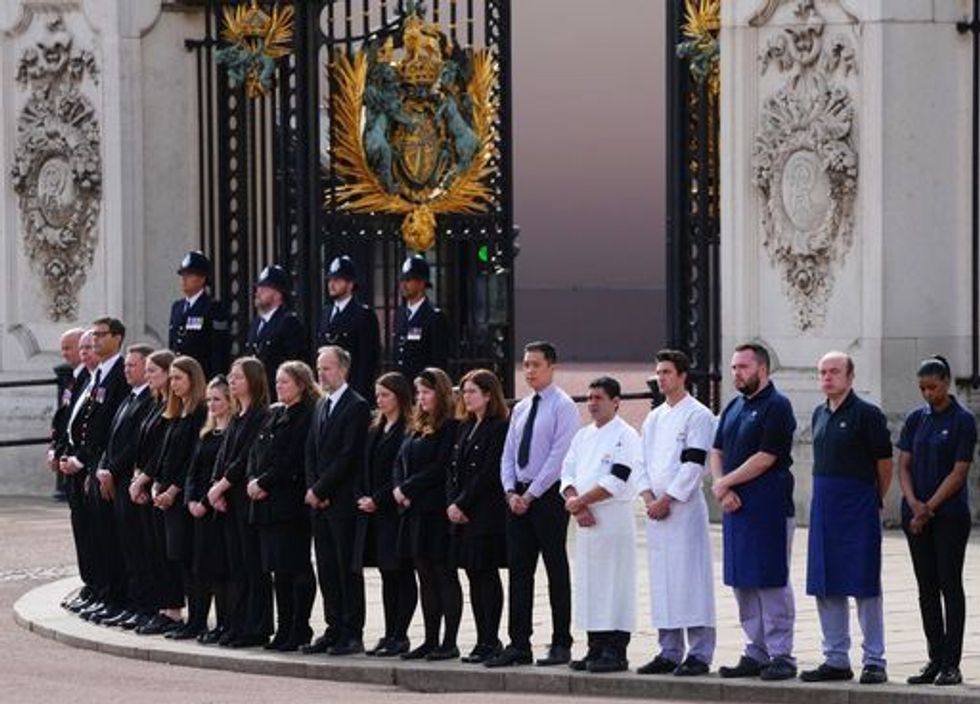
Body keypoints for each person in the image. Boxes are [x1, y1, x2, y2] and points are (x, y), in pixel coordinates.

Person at [801, 352, 892, 685]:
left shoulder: (868, 415)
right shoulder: (818, 414)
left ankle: (874, 660)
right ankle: (836, 658)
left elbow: (884, 464)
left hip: (858, 508)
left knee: (865, 584)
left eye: (834, 372)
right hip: (825, 509)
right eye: (822, 372)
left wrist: (874, 499)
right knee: (826, 584)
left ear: (850, 377)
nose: (827, 378)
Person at [487, 341, 579, 668]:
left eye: (535, 365)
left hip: (547, 498)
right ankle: (518, 642)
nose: (529, 371)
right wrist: (511, 491)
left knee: (555, 568)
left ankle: (560, 642)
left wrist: (531, 494)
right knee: (519, 572)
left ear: (551, 367)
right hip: (518, 498)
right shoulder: (522, 408)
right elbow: (508, 453)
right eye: (525, 364)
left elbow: (558, 457)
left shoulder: (563, 406)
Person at [710, 343, 798, 681]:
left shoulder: (778, 406)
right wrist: (723, 486)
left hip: (768, 507)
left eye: (743, 367)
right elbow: (716, 450)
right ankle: (755, 650)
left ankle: (781, 654)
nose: (737, 373)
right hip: (735, 507)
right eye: (733, 367)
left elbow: (766, 457)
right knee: (742, 581)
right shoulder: (733, 407)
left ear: (762, 369)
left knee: (771, 580)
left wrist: (724, 484)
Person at [636, 350, 717, 677]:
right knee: (663, 582)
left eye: (667, 372)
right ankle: (669, 650)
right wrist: (647, 496)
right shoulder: (654, 418)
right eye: (658, 372)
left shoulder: (697, 415)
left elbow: (694, 464)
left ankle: (699, 652)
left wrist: (667, 499)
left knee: (690, 580)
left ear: (683, 376)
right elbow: (640, 462)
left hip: (682, 511)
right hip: (656, 512)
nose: (661, 378)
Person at [898, 356, 976, 686]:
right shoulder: (917, 419)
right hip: (917, 515)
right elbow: (903, 464)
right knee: (926, 588)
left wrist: (928, 507)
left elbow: (959, 472)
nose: (928, 394)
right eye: (922, 389)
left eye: (932, 387)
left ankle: (951, 662)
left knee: (949, 584)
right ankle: (933, 657)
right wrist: (914, 503)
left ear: (945, 382)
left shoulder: (962, 420)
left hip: (948, 515)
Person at [560, 377, 641, 674]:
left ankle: (616, 649)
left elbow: (617, 479)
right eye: (589, 398)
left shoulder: (626, 435)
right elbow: (567, 472)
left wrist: (581, 502)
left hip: (613, 519)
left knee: (615, 584)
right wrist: (575, 502)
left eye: (599, 398)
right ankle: (595, 645)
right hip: (585, 522)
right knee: (590, 585)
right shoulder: (582, 436)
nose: (592, 403)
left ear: (616, 401)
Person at [303, 346, 372, 656]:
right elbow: (311, 452)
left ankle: (351, 631)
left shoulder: (356, 406)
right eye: (319, 368)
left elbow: (348, 456)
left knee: (347, 570)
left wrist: (323, 490)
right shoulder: (321, 405)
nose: (321, 374)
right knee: (327, 569)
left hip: (342, 503)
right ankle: (333, 627)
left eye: (327, 368)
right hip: (320, 503)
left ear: (343, 370)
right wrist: (313, 489)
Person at [247, 361, 319, 652]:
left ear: (301, 384)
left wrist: (263, 482)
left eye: (285, 382)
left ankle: (299, 627)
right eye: (277, 382)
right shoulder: (275, 414)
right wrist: (253, 478)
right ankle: (284, 626)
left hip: (288, 503)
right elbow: (257, 451)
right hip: (266, 504)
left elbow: (291, 460)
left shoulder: (305, 416)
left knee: (295, 568)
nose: (279, 387)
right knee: (278, 571)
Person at [61, 318, 129, 624]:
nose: (96, 341)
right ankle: (101, 591)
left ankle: (114, 595)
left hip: (102, 464)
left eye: (102, 336)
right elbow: (82, 418)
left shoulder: (119, 374)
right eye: (94, 336)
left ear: (118, 338)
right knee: (93, 534)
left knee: (109, 538)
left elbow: (110, 426)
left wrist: (88, 459)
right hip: (88, 463)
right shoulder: (96, 375)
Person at [392, 367, 460, 661]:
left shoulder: (449, 426)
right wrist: (398, 488)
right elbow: (400, 460)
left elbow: (439, 466)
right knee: (425, 577)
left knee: (444, 574)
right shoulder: (416, 424)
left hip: (434, 511)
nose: (421, 398)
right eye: (418, 392)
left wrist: (407, 488)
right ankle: (430, 638)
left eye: (427, 392)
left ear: (440, 393)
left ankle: (449, 641)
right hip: (413, 511)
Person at [207, 357, 273, 647]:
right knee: (236, 566)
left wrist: (222, 485)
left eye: (238, 378)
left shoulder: (261, 414)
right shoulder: (238, 415)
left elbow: (245, 456)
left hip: (244, 498)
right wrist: (216, 485)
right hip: (228, 499)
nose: (232, 382)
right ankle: (237, 621)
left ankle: (256, 625)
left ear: (253, 381)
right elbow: (223, 455)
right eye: (231, 377)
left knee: (251, 565)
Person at [446, 369, 509, 664]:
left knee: (486, 575)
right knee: (472, 575)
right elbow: (453, 469)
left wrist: (464, 504)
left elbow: (488, 473)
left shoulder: (498, 427)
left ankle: (491, 638)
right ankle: (482, 637)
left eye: (472, 391)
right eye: (464, 391)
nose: (466, 397)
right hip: (461, 512)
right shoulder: (465, 426)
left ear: (488, 395)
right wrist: (452, 503)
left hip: (484, 513)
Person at [353, 372, 417, 657]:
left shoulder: (407, 427)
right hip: (374, 512)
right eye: (377, 395)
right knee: (386, 573)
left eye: (385, 395)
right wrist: (363, 497)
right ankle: (389, 632)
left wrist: (378, 499)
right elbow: (363, 464)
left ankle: (400, 634)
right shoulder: (376, 426)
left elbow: (399, 471)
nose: (379, 400)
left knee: (400, 572)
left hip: (394, 510)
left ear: (400, 397)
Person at [92, 343, 155, 629]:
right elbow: (111, 438)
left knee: (140, 550)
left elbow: (134, 446)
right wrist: (104, 467)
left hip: (130, 481)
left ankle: (144, 605)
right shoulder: (128, 398)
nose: (127, 370)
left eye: (133, 365)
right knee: (125, 547)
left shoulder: (148, 401)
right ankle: (131, 602)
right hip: (115, 480)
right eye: (126, 365)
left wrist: (113, 469)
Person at [156, 356, 209, 640]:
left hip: (184, 496)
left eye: (178, 378)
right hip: (168, 495)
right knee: (177, 557)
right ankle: (188, 617)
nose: (173, 384)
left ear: (192, 379)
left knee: (191, 559)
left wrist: (174, 490)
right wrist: (157, 486)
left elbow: (192, 458)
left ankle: (197, 618)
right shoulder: (178, 411)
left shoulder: (200, 411)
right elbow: (167, 455)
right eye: (172, 378)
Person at [127, 349, 175, 634]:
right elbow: (141, 445)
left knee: (162, 551)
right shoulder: (155, 404)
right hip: (145, 484)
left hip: (158, 486)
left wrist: (146, 479)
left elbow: (162, 451)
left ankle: (170, 608)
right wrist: (137, 476)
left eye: (153, 371)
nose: (148, 376)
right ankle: (159, 606)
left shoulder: (171, 407)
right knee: (150, 550)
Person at [185, 376, 234, 645]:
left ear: (229, 402)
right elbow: (193, 471)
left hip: (218, 507)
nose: (212, 405)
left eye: (217, 399)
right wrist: (192, 499)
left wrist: (205, 501)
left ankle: (227, 622)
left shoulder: (232, 431)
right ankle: (204, 621)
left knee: (221, 569)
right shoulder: (206, 433)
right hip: (199, 510)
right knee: (203, 568)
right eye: (209, 400)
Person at [57, 330, 96, 614]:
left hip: (87, 466)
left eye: (86, 347)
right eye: (78, 349)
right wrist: (57, 451)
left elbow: (96, 428)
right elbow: (66, 420)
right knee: (83, 531)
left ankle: (101, 589)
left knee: (96, 535)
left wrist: (79, 460)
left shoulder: (94, 379)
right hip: (73, 462)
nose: (81, 353)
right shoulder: (78, 378)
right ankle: (92, 586)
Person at [317, 255, 380, 401]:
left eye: (337, 280)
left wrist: (358, 394)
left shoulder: (363, 314)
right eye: (330, 280)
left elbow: (367, 360)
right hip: (328, 389)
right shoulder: (326, 313)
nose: (332, 284)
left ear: (350, 284)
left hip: (351, 389)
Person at [168, 250, 231, 379]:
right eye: (182, 275)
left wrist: (216, 379)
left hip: (201, 376)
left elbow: (218, 349)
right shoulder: (177, 307)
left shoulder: (213, 308)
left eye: (189, 275)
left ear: (202, 278)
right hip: (180, 377)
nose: (184, 279)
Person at [245, 265, 307, 392]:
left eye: (264, 288)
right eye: (258, 287)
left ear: (278, 294)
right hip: (257, 392)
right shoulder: (256, 324)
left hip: (276, 391)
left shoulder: (288, 322)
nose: (258, 292)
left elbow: (295, 364)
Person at [393, 255, 449, 382]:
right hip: (402, 387)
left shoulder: (434, 316)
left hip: (422, 387)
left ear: (422, 282)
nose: (403, 285)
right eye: (402, 280)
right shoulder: (400, 313)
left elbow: (438, 360)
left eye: (408, 280)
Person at [49, 327, 84, 501]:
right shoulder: (73, 378)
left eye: (68, 348)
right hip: (68, 454)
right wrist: (55, 449)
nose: (64, 353)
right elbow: (64, 416)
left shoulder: (87, 378)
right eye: (62, 348)